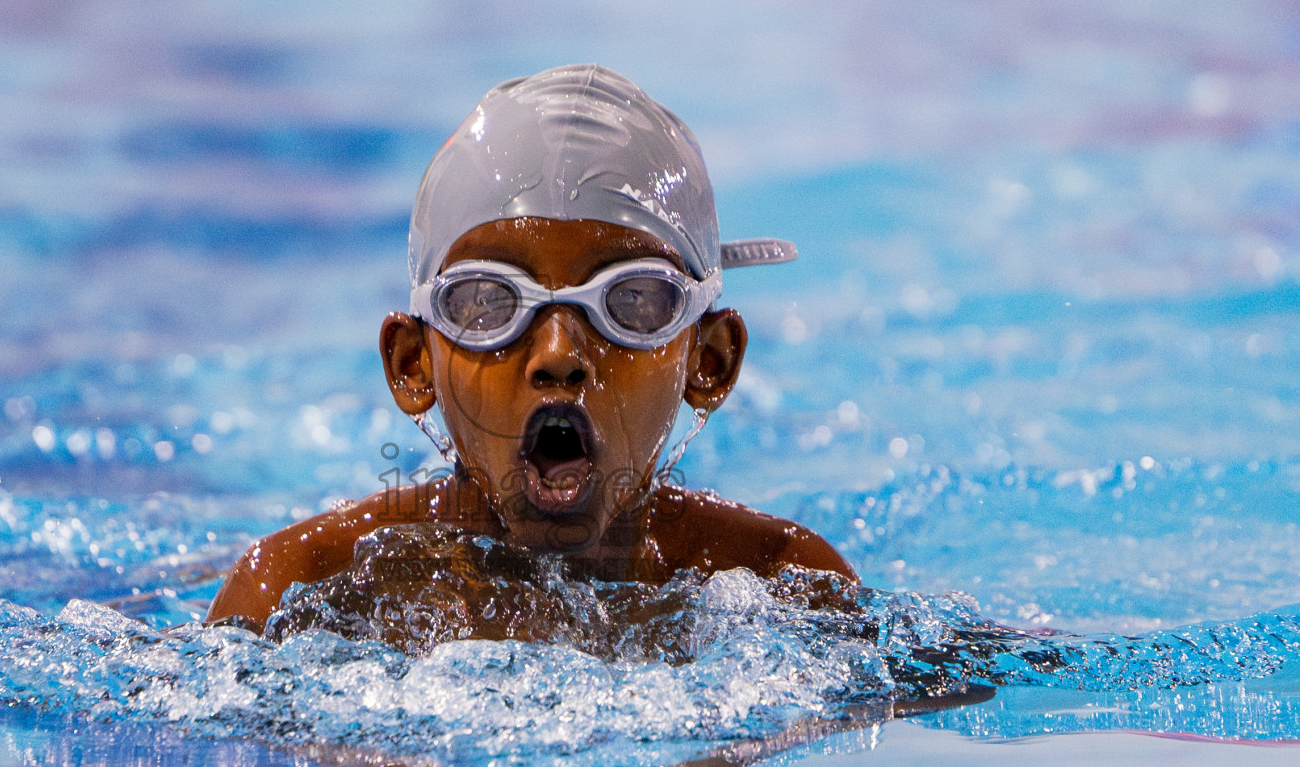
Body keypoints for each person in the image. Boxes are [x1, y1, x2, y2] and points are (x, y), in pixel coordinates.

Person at [207, 64, 856, 642]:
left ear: (707, 359)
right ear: (414, 364)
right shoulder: (296, 594)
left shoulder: (784, 587)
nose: (556, 353)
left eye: (631, 302)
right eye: (489, 304)